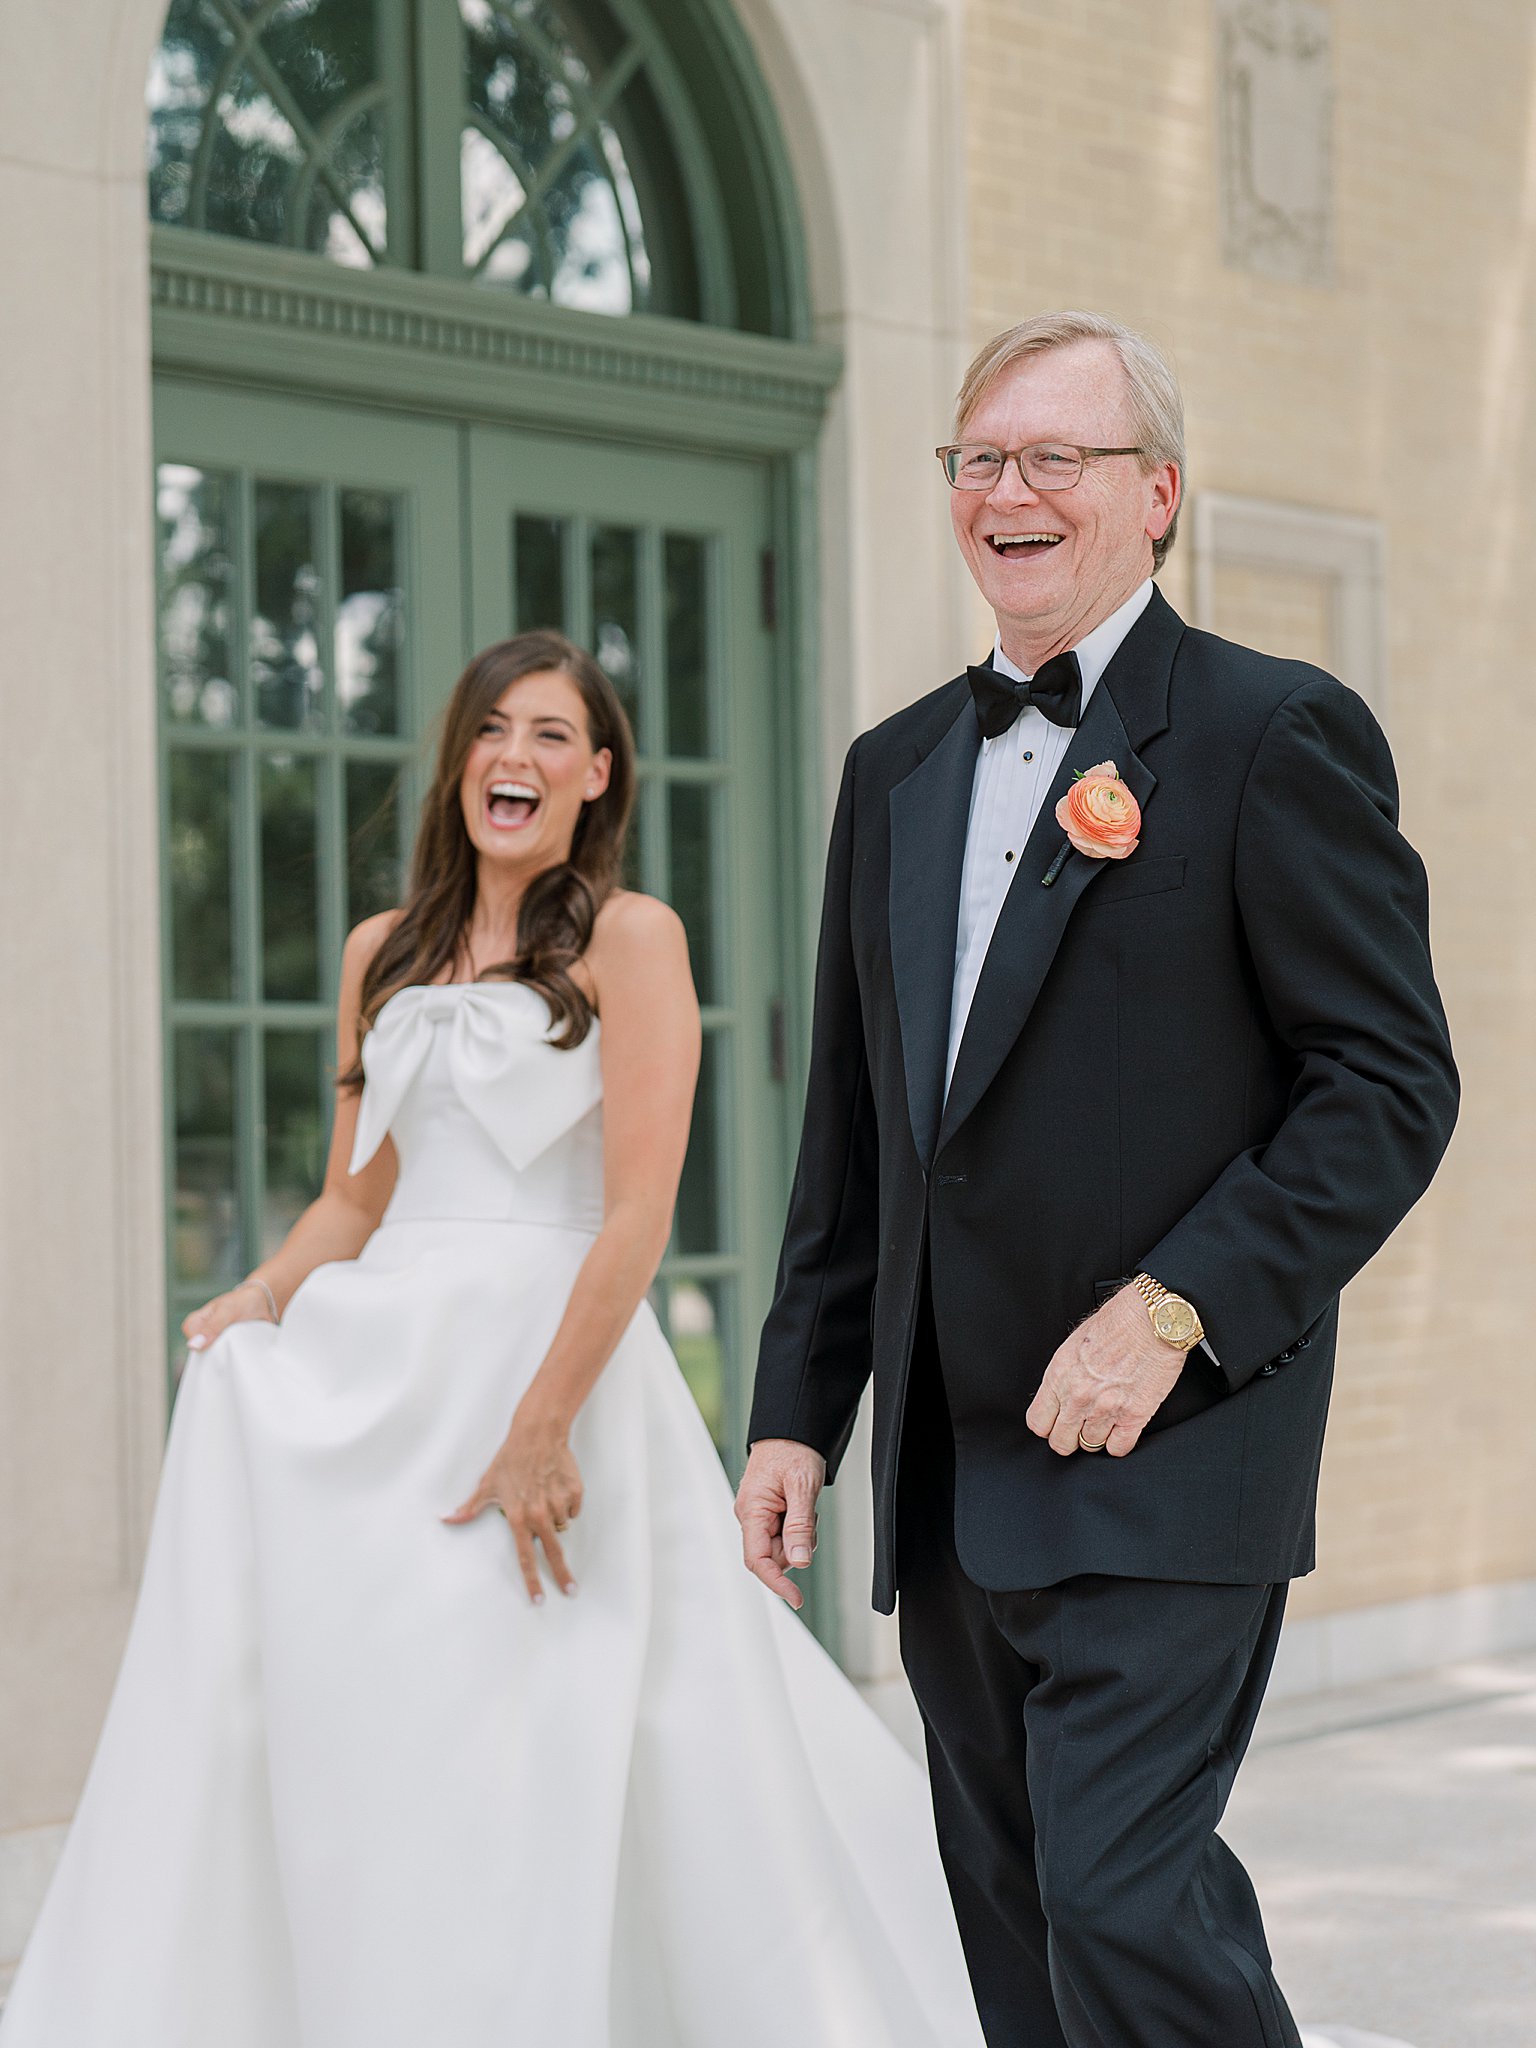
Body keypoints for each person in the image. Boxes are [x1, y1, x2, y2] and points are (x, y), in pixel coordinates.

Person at [0, 632, 985, 2048]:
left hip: (555, 1371)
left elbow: (639, 1212)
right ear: (461, 762)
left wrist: (542, 1422)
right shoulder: (377, 953)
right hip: (392, 1380)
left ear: (596, 775)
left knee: (558, 1722)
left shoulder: (633, 939)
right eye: (491, 732)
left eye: (550, 736)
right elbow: (356, 1195)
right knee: (403, 1724)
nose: (514, 757)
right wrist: (259, 1301)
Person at [738, 312, 1458, 2048]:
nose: (1011, 491)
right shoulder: (892, 768)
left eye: (1058, 456)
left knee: (1119, 1902)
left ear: (1159, 497)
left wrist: (1177, 1308)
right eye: (980, 459)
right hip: (950, 1475)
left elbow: (1387, 1086)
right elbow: (861, 1129)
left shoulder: (1274, 733)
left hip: (1170, 1444)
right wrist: (794, 1412)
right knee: (1018, 1941)